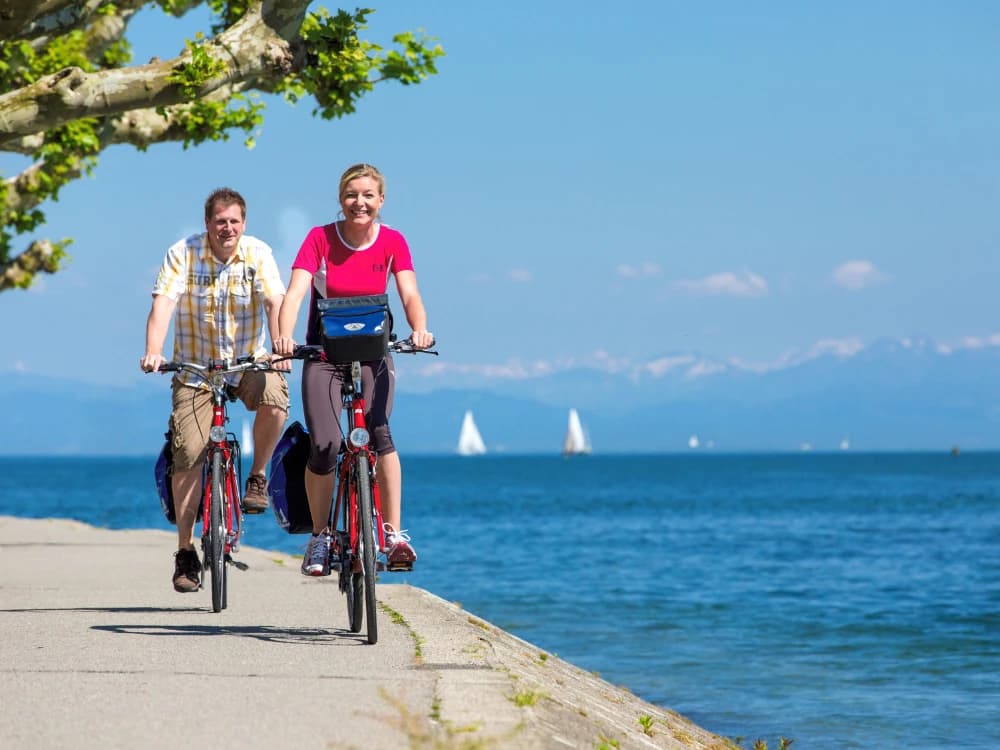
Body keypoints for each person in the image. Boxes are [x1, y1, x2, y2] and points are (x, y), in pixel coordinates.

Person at [273, 163, 432, 576]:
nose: (358, 203)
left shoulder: (393, 241)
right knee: (325, 444)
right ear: (340, 199)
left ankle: (393, 534)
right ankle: (322, 536)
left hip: (374, 355)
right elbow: (295, 293)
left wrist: (419, 330)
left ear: (381, 200)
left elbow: (409, 291)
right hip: (324, 356)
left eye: (367, 195)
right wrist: (283, 339)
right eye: (350, 195)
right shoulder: (319, 239)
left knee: (379, 434)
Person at [141, 187, 290, 593]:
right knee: (188, 451)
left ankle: (257, 476)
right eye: (220, 221)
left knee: (276, 398)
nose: (228, 228)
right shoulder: (182, 254)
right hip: (195, 371)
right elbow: (163, 305)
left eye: (235, 221)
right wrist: (153, 352)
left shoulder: (257, 253)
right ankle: (186, 550)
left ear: (244, 223)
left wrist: (280, 346)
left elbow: (275, 302)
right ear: (207, 224)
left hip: (246, 364)